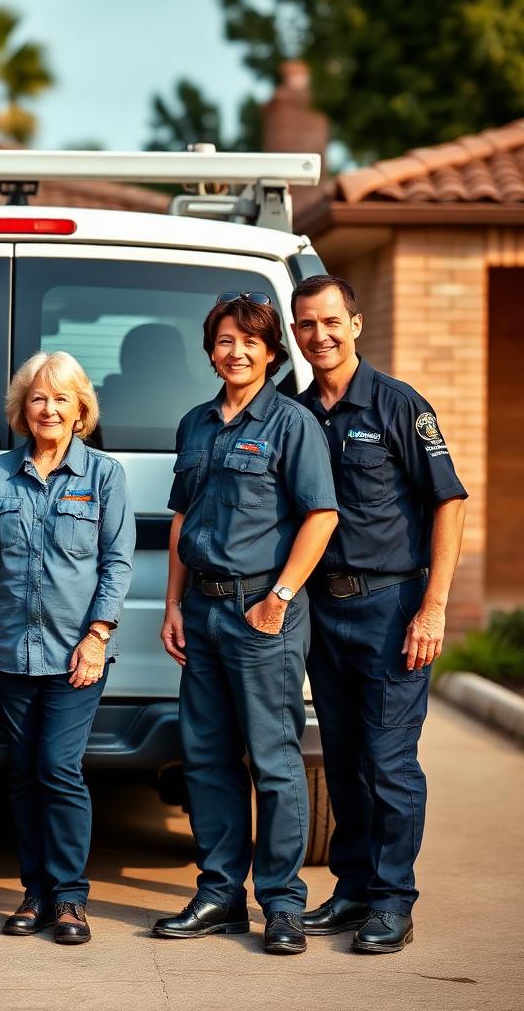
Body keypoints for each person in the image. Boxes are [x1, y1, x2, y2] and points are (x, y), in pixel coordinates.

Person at [155, 293, 339, 955]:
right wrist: (174, 605)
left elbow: (321, 515)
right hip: (201, 611)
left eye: (250, 341)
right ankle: (219, 895)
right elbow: (182, 517)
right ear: (210, 351)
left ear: (270, 351)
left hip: (264, 612)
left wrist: (279, 597)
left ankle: (284, 904)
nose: (236, 351)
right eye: (225, 341)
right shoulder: (195, 424)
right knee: (205, 757)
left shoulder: (292, 424)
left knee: (276, 759)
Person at [291, 275, 467, 954]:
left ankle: (394, 900)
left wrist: (434, 608)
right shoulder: (295, 411)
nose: (320, 335)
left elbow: (448, 501)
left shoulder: (398, 405)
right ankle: (355, 886)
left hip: (392, 607)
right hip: (322, 610)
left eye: (331, 321)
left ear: (356, 325)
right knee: (341, 759)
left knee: (388, 762)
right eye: (306, 324)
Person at [0, 352, 135, 945]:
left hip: (75, 653)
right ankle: (33, 892)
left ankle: (68, 898)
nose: (49, 408)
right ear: (21, 409)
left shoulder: (104, 475)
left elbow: (116, 562)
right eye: (38, 398)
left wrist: (98, 635)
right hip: (11, 649)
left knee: (58, 769)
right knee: (24, 773)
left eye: (62, 398)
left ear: (80, 408)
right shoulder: (0, 474)